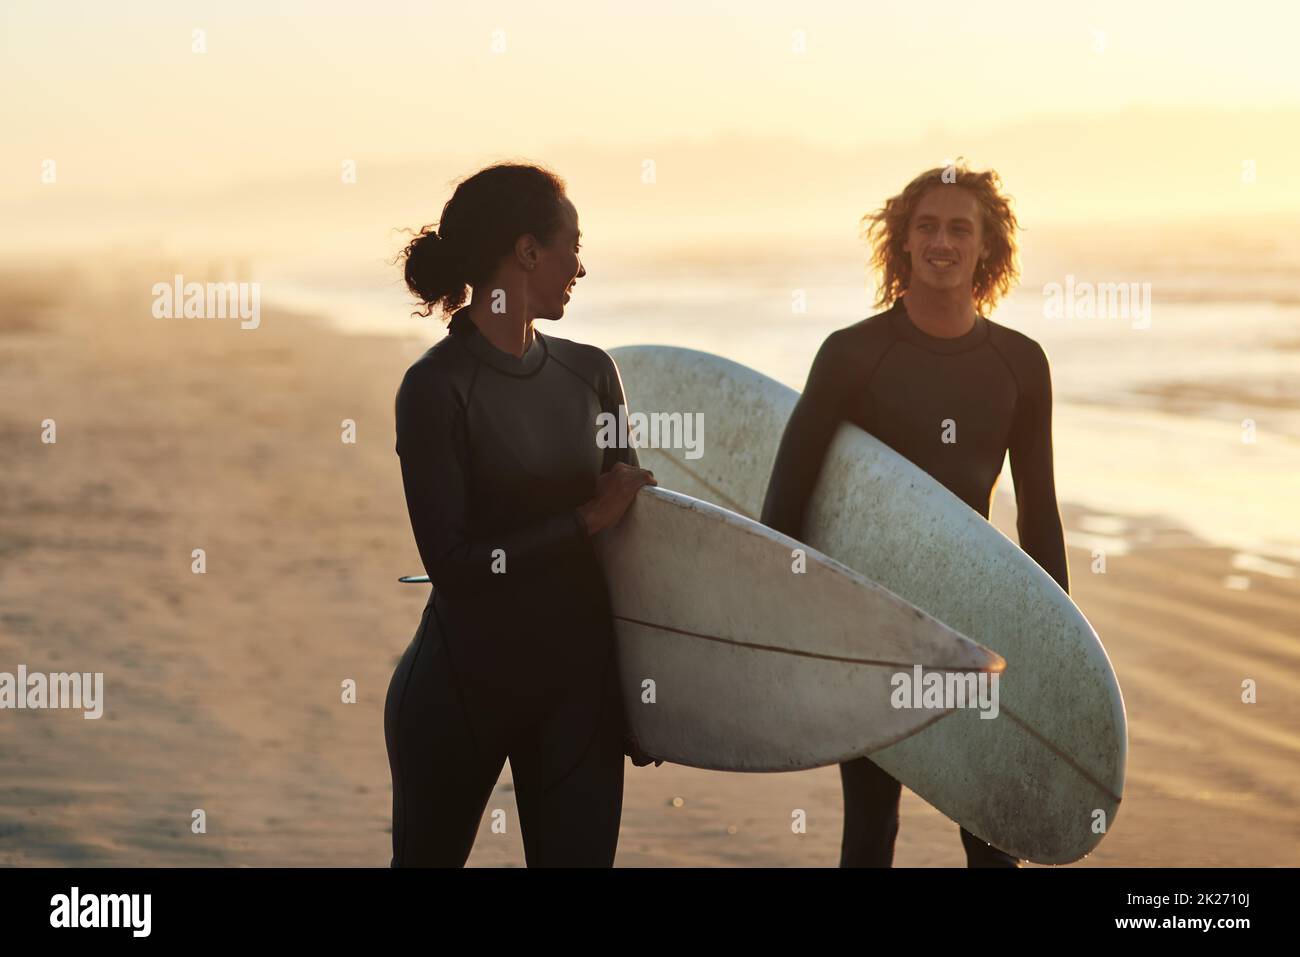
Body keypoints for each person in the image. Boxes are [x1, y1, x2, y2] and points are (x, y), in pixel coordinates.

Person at [760, 162, 1069, 867]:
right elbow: (786, 506)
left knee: (993, 826)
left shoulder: (1022, 364)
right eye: (926, 226)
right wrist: (791, 625)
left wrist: (1056, 644)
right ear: (901, 242)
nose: (942, 241)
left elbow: (1040, 516)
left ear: (987, 246)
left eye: (961, 228)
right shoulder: (852, 355)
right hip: (874, 623)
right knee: (870, 828)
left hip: (976, 618)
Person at [384, 163, 658, 867]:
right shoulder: (435, 388)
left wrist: (650, 693)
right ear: (528, 252)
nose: (581, 266)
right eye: (572, 245)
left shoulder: (592, 372)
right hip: (458, 692)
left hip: (578, 696)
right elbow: (453, 562)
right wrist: (584, 520)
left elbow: (632, 548)